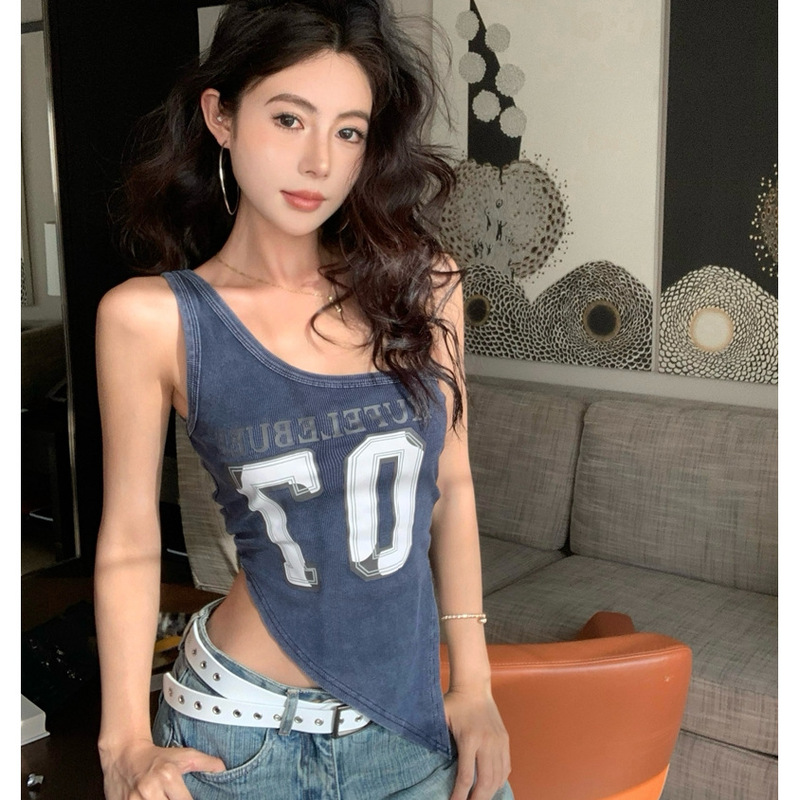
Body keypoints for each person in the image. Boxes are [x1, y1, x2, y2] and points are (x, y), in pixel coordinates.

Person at [94, 1, 512, 798]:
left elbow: (451, 487)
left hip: (410, 727)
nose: (319, 161)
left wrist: (474, 683)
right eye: (289, 119)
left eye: (348, 132)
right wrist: (123, 742)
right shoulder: (152, 319)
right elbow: (131, 538)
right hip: (239, 736)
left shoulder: (426, 287)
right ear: (221, 116)